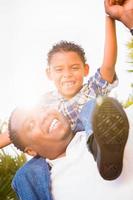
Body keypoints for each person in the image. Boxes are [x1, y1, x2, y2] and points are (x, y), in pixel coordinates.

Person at [8, 97, 133, 200]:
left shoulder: (114, 122)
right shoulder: (46, 185)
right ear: (30, 151)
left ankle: (96, 145)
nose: (43, 116)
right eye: (31, 124)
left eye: (42, 109)